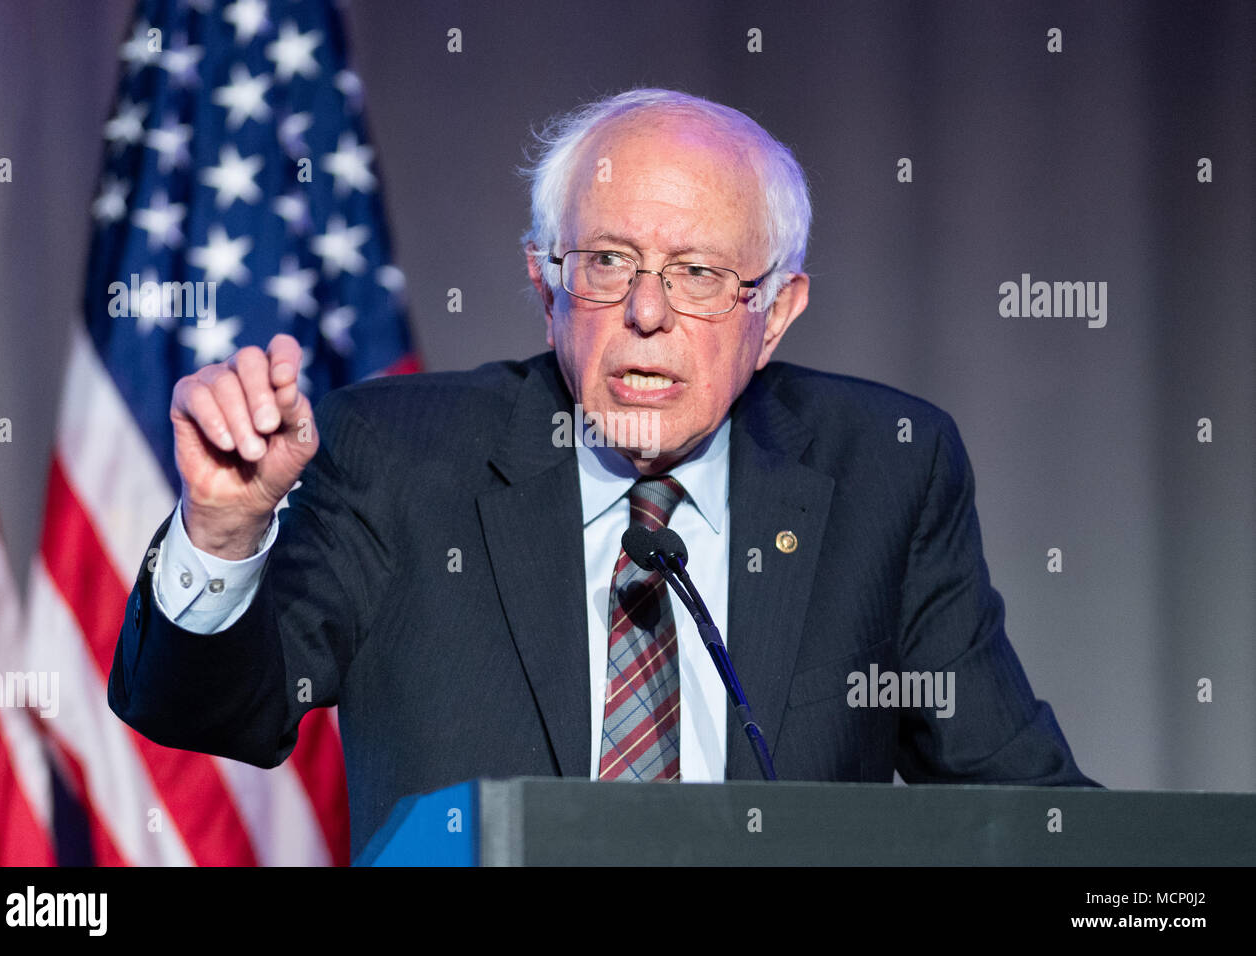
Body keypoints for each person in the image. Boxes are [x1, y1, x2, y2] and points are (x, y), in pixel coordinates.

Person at [109, 88, 1097, 859]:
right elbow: (206, 710)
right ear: (545, 282)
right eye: (608, 261)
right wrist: (227, 526)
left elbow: (1014, 805)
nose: (648, 311)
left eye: (699, 273)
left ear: (778, 312)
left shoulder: (887, 468)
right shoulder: (398, 455)